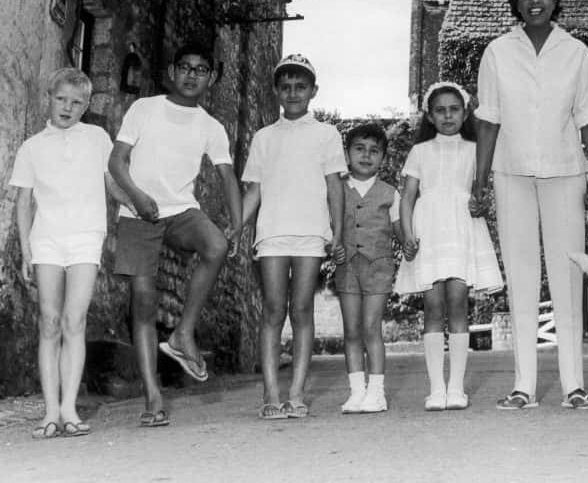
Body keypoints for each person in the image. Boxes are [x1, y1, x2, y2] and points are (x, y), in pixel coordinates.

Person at [474, 0, 588, 410]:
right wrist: (479, 180)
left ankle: (574, 385)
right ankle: (523, 386)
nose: (535, 1)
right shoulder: (497, 52)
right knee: (522, 276)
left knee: (568, 275)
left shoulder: (576, 53)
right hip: (510, 172)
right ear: (515, 2)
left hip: (565, 171)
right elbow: (488, 118)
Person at [108, 42, 243, 428]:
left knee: (216, 245)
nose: (190, 75)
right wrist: (137, 197)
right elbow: (116, 161)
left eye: (200, 69)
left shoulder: (211, 126)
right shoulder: (145, 108)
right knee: (145, 303)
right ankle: (153, 398)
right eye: (184, 67)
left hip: (181, 211)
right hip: (137, 211)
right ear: (172, 70)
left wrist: (236, 224)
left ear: (211, 78)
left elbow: (227, 177)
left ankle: (184, 334)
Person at [10, 68, 125, 438]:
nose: (67, 107)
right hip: (47, 240)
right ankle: (48, 413)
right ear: (50, 96)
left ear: (87, 105)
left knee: (75, 320)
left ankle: (70, 409)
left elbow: (115, 183)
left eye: (77, 102)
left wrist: (141, 204)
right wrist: (27, 251)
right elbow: (24, 203)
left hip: (86, 238)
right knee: (49, 321)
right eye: (61, 99)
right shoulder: (32, 147)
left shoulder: (97, 138)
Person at [240, 54, 346, 420]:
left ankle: (297, 393)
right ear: (276, 92)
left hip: (311, 234)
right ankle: (271, 393)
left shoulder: (326, 134)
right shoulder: (264, 137)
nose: (293, 92)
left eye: (301, 86)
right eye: (286, 87)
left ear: (313, 91)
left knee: (302, 310)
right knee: (272, 310)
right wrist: (236, 223)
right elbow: (253, 189)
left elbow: (335, 188)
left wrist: (338, 232)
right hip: (272, 234)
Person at [395, 81, 503, 411]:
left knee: (457, 301)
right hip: (429, 231)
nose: (447, 116)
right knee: (433, 306)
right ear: (429, 115)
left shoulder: (475, 149)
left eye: (454, 109)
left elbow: (482, 193)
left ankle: (456, 388)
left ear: (465, 111)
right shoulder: (420, 151)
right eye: (440, 110)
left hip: (461, 230)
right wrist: (408, 236)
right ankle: (435, 388)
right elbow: (407, 198)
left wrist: (481, 204)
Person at [332, 122, 401, 414]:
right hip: (347, 267)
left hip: (379, 267)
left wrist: (411, 243)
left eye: (374, 151)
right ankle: (356, 392)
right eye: (359, 149)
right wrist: (330, 244)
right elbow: (329, 227)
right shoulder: (336, 190)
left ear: (382, 158)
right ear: (347, 154)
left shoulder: (390, 193)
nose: (366, 155)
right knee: (351, 330)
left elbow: (401, 229)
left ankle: (377, 392)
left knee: (371, 328)